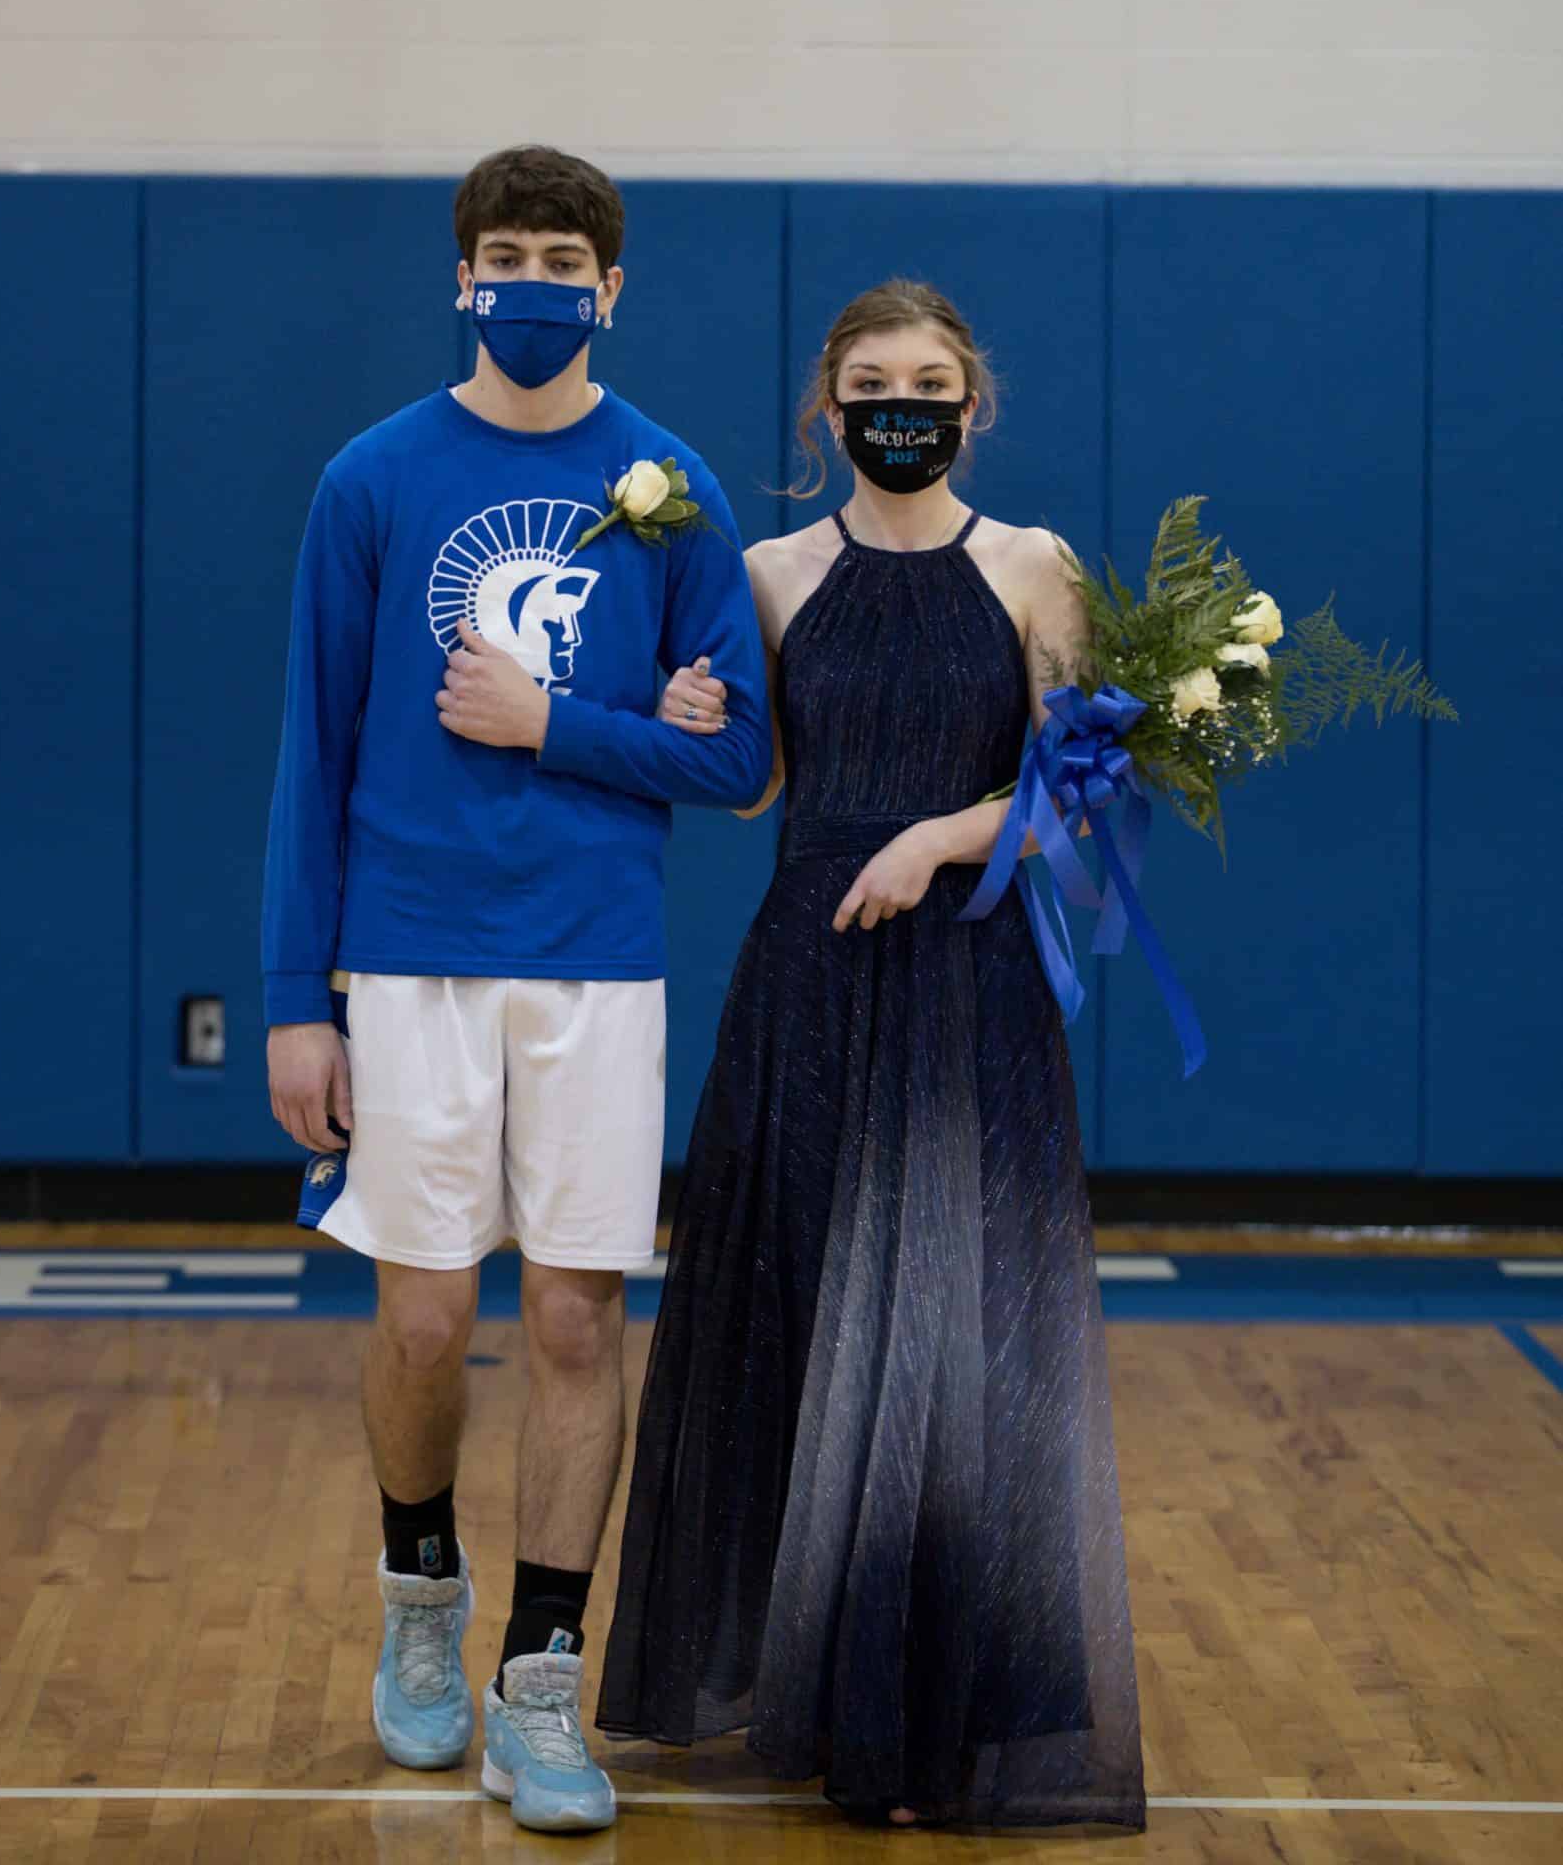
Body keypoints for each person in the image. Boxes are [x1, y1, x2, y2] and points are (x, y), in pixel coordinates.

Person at [261, 145, 770, 1834]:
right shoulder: (373, 476)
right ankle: (421, 1592)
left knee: (570, 1316)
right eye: (505, 255)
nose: (532, 284)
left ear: (611, 289)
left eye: (564, 260)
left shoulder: (671, 487)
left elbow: (740, 764)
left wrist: (559, 727)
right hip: (405, 956)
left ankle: (540, 1684)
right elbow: (312, 748)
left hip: (594, 962)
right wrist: (295, 995)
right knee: (420, 1318)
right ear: (460, 277)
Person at [597, 278, 1147, 1834]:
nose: (899, 408)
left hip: (965, 974)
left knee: (954, 1345)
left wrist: (937, 838)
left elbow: (1079, 787)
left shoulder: (1033, 565)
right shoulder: (766, 573)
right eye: (869, 386)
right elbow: (758, 783)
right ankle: (820, 1697)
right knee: (800, 1320)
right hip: (809, 975)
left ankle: (934, 1714)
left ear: (971, 404)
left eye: (926, 385)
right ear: (824, 412)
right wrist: (685, 710)